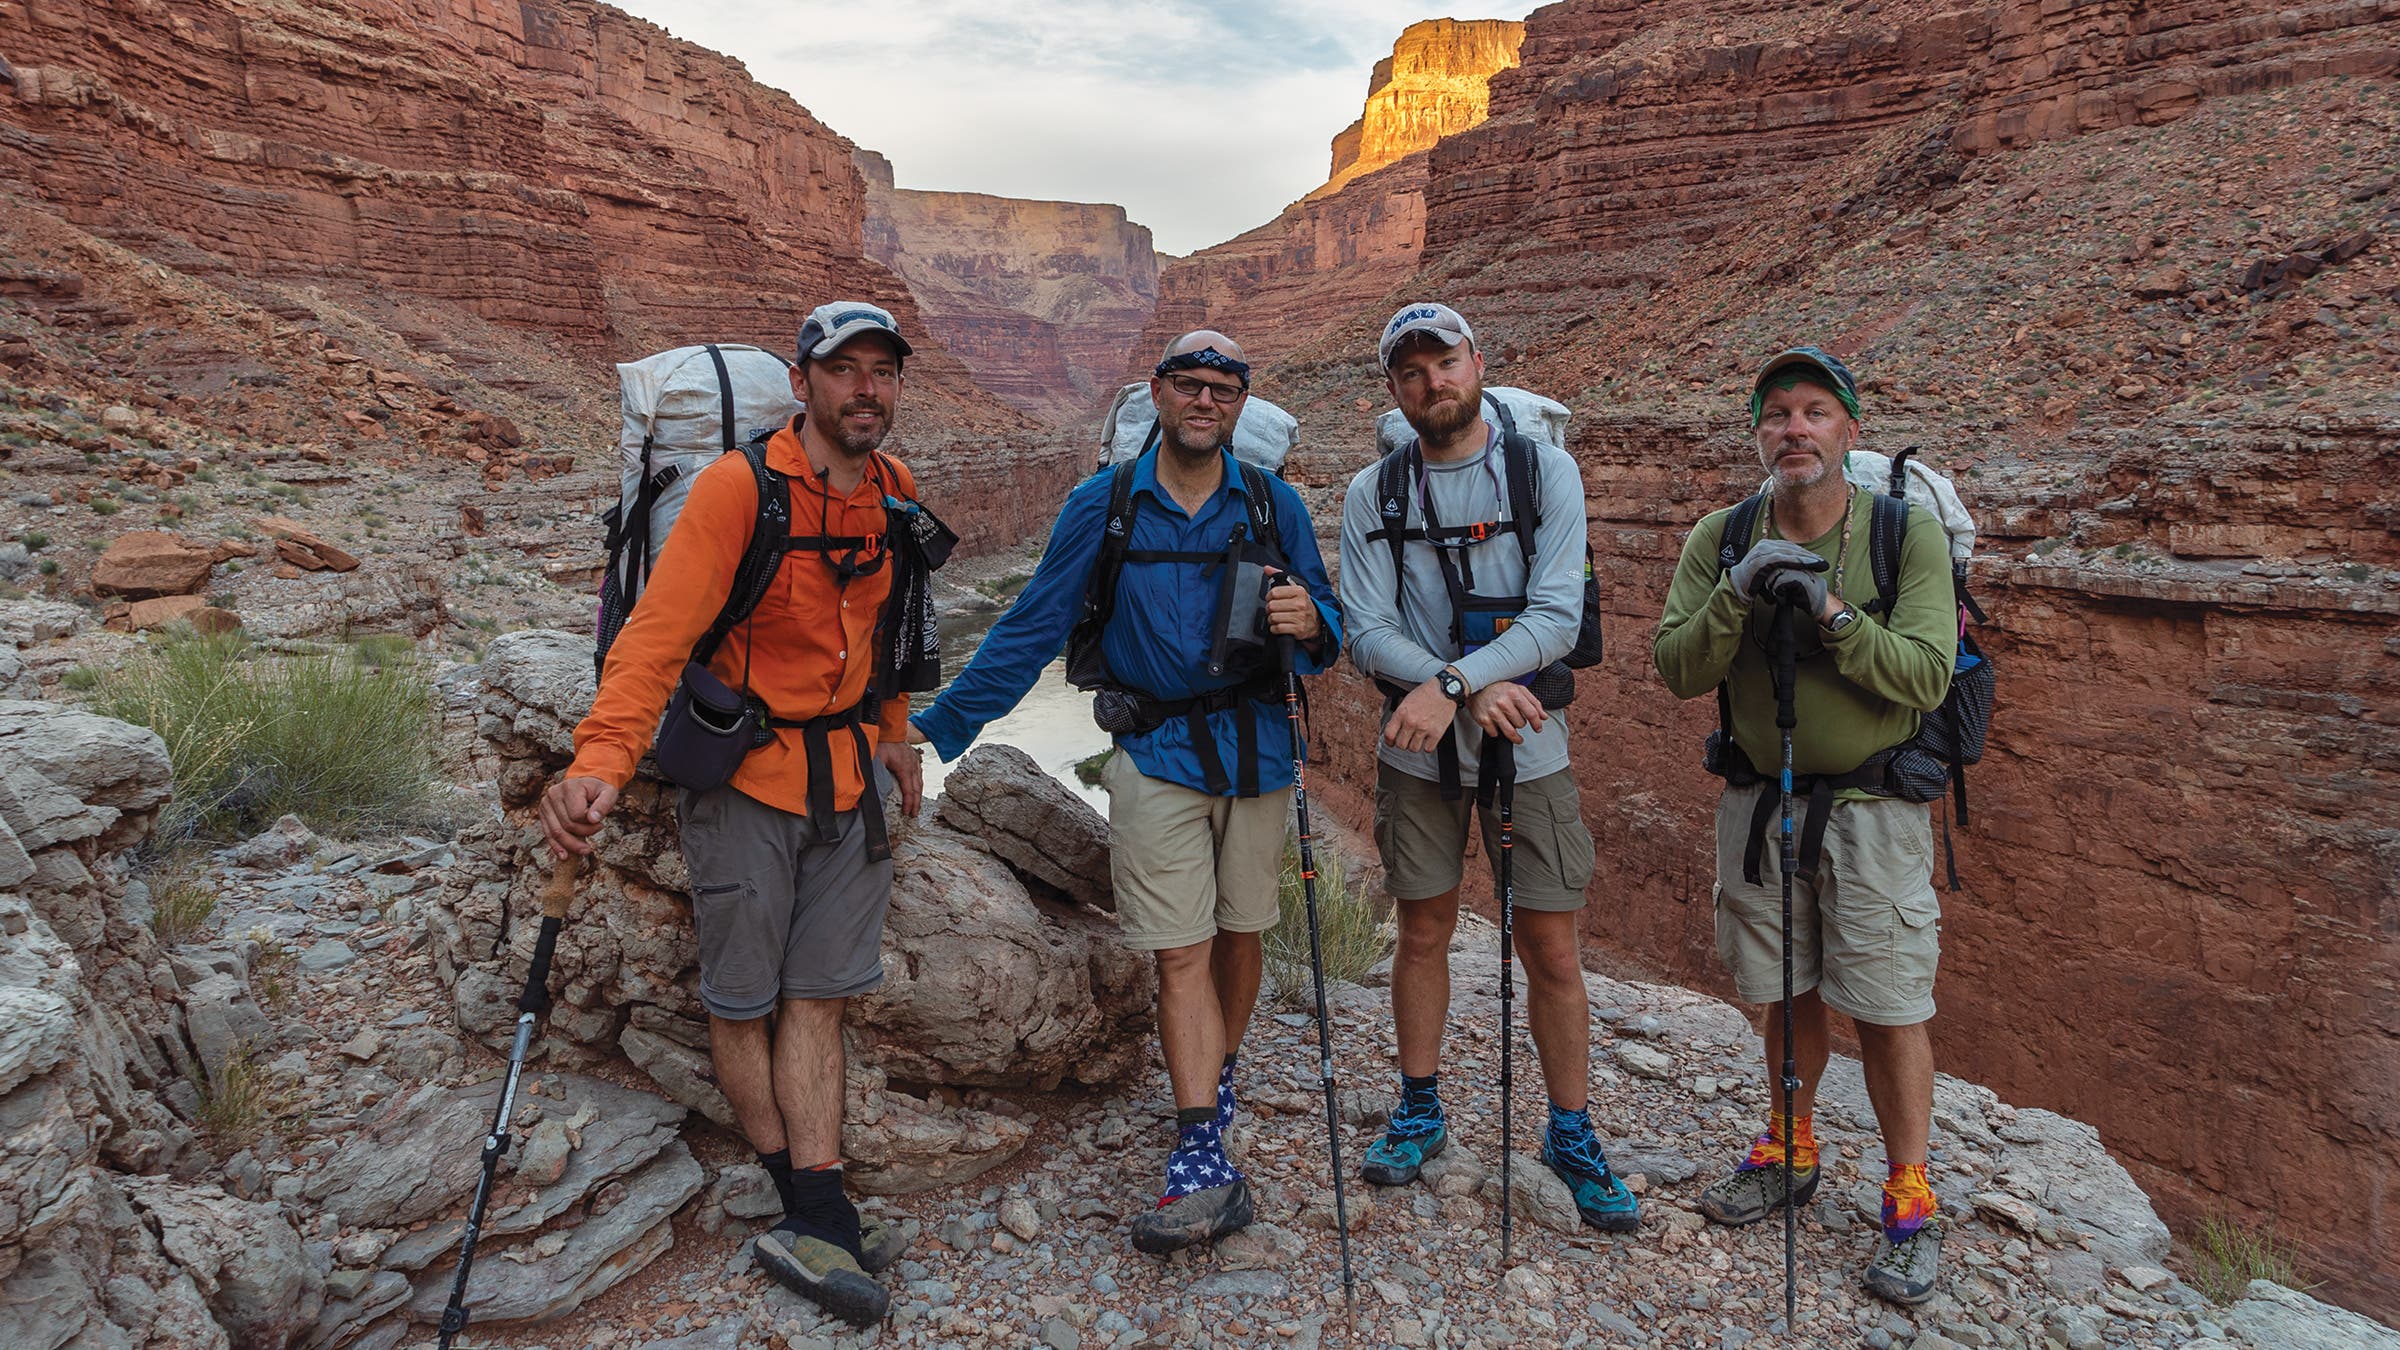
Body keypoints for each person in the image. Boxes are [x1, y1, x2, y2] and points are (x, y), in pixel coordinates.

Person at [537, 302, 930, 1328]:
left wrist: (894, 731)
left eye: (883, 371)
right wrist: (599, 763)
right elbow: (655, 642)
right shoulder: (736, 490)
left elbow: (893, 630)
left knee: (819, 997)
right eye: (845, 370)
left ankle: (816, 1206)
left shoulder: (893, 492)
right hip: (746, 780)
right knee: (743, 1000)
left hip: (847, 781)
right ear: (802, 384)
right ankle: (809, 1205)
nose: (867, 389)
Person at [908, 330, 1341, 1254]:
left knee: (1241, 933)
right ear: (1159, 391)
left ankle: (1219, 1070)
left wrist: (1313, 620)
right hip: (1154, 753)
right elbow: (1031, 627)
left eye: (1223, 389)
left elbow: (1326, 626)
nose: (1204, 401)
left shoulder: (1273, 504)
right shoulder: (1102, 505)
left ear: (1239, 403)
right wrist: (937, 728)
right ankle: (1200, 1151)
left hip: (1259, 750)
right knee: (1180, 952)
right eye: (1189, 384)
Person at [1650, 346, 1955, 1304]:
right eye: (1777, 413)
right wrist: (1739, 591)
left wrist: (1829, 611)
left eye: (1815, 411)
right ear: (1758, 434)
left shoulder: (1904, 535)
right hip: (1760, 802)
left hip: (1873, 810)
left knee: (1890, 1006)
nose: (1795, 428)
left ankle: (1910, 1199)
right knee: (1785, 988)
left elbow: (1926, 676)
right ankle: (1790, 1147)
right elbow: (1677, 667)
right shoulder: (1722, 536)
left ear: (1848, 431)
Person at [1338, 303, 1637, 1233]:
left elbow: (1556, 617)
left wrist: (1455, 683)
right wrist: (1457, 691)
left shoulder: (1544, 472)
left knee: (1551, 947)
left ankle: (1570, 1133)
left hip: (1528, 747)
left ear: (1477, 363)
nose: (1432, 382)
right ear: (1395, 388)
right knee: (1423, 931)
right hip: (1419, 750)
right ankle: (1420, 1109)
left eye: (1445, 362)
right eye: (1411, 371)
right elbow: (1365, 630)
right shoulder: (1373, 493)